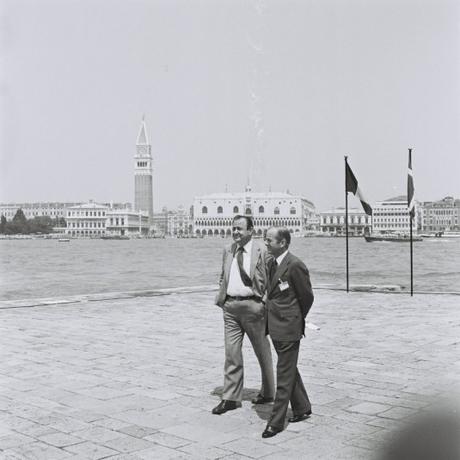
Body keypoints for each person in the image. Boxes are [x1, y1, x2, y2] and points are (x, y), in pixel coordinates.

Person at [212, 215, 275, 415]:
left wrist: (263, 302)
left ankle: (268, 392)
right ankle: (230, 397)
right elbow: (223, 274)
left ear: (251, 231)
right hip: (230, 307)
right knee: (231, 353)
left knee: (262, 352)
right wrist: (222, 296)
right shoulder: (227, 250)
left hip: (254, 308)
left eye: (240, 228)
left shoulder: (262, 250)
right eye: (234, 228)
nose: (236, 232)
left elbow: (273, 278)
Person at [261, 227, 314, 438]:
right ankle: (302, 408)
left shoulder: (295, 265)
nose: (265, 244)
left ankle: (275, 422)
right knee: (289, 367)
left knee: (283, 373)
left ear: (282, 243)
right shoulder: (272, 262)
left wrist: (294, 318)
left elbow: (307, 297)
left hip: (288, 327)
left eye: (269, 241)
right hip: (275, 325)